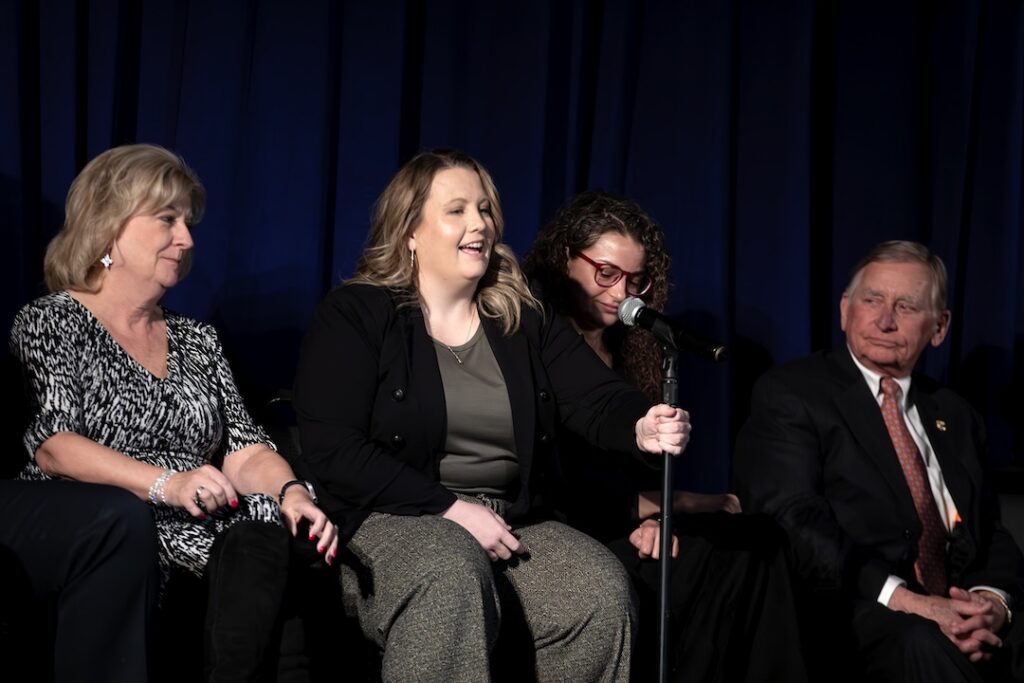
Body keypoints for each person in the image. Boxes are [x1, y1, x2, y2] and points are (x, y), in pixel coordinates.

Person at [292, 149, 690, 683]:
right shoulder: (358, 315)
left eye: (484, 209)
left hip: (507, 518)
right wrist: (449, 509)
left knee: (597, 588)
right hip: (393, 521)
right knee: (448, 569)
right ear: (410, 230)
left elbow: (596, 397)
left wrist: (642, 424)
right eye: (456, 210)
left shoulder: (520, 317)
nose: (478, 223)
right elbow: (333, 451)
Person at [9, 143, 339, 682]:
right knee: (245, 550)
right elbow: (54, 445)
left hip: (204, 515)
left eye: (188, 223)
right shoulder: (52, 321)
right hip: (108, 516)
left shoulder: (196, 339)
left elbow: (246, 446)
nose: (186, 239)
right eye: (167, 219)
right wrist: (167, 484)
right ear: (109, 224)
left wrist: (291, 493)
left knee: (272, 532)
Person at [523, 190, 808, 682]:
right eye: (606, 273)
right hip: (568, 534)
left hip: (627, 520)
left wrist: (671, 512)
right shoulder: (538, 342)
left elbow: (633, 475)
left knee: (758, 537)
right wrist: (679, 506)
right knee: (704, 565)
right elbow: (565, 486)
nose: (621, 293)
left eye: (636, 281)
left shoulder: (632, 350)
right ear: (564, 259)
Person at [734, 240, 1024, 682]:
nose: (885, 320)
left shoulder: (956, 414)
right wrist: (911, 602)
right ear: (845, 309)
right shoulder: (793, 394)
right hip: (854, 605)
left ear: (940, 327)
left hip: (955, 606)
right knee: (921, 646)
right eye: (872, 300)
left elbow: (990, 530)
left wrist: (991, 604)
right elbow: (793, 519)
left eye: (906, 306)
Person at [0, 480, 160, 683]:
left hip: (187, 498)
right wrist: (166, 485)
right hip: (75, 490)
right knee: (118, 523)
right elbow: (52, 453)